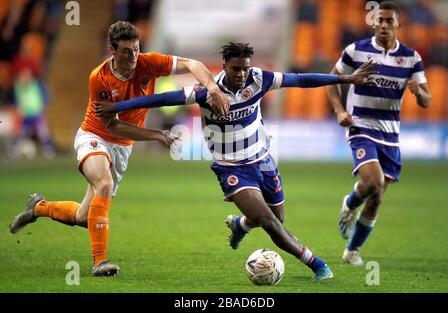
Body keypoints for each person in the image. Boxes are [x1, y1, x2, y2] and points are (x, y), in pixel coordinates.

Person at [94, 42, 376, 280]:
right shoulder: (206, 92)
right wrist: (116, 108)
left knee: (277, 217)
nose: (242, 74)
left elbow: (300, 80)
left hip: (264, 161)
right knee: (268, 221)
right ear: (224, 66)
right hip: (232, 169)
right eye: (235, 69)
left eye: (245, 68)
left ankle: (240, 225)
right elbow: (162, 99)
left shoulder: (259, 79)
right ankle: (318, 264)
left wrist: (345, 79)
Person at [9, 21, 229, 277]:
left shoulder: (149, 62)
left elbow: (194, 65)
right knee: (104, 183)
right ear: (112, 50)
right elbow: (113, 126)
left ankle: (39, 207)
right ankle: (99, 262)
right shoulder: (99, 78)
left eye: (136, 49)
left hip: (122, 148)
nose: (134, 56)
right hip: (94, 136)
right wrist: (156, 134)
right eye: (126, 51)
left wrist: (213, 89)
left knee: (84, 217)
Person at [326, 1, 431, 265]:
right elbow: (332, 81)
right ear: (373, 23)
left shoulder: (411, 58)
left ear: (398, 25)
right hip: (360, 126)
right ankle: (349, 204)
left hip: (390, 134)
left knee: (377, 197)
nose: (384, 25)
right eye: (380, 20)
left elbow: (427, 100)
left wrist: (420, 93)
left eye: (389, 21)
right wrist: (339, 111)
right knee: (373, 182)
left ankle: (352, 251)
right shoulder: (356, 51)